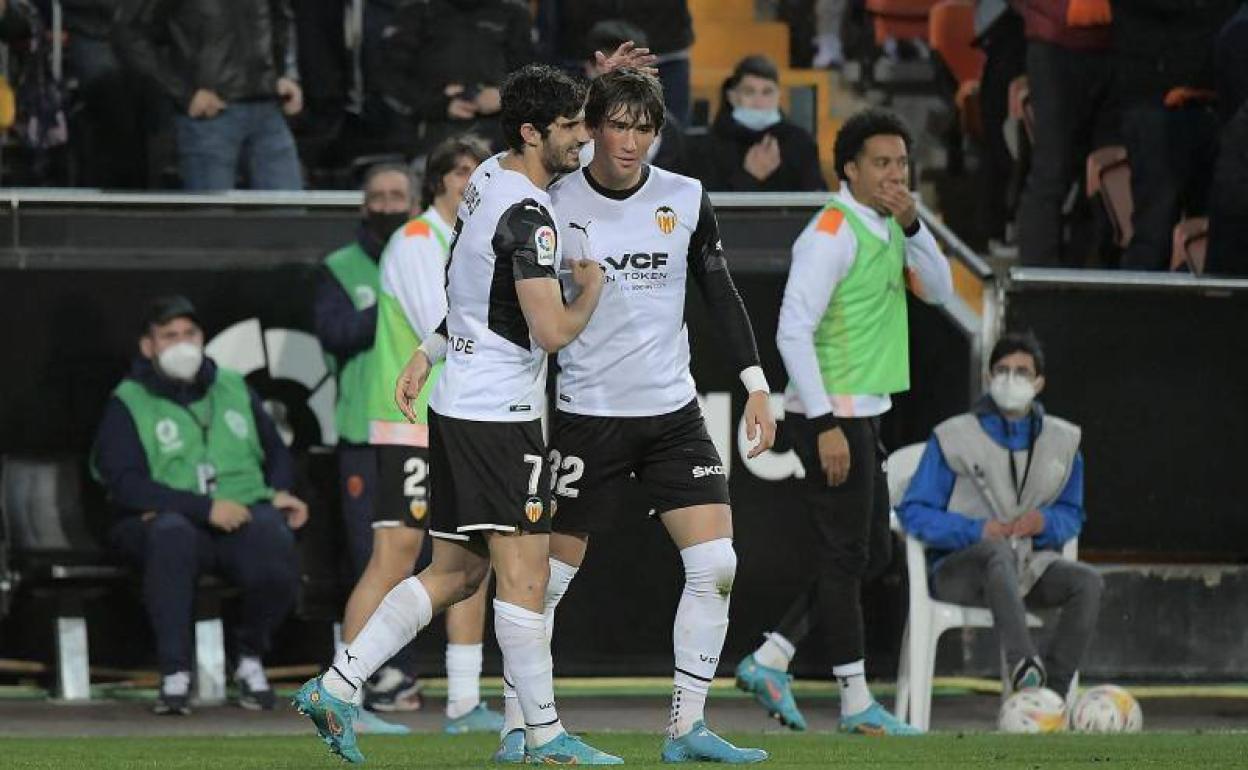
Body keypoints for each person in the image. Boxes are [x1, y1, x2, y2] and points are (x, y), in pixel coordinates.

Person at [294, 63, 626, 766]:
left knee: (455, 574)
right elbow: (551, 330)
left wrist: (431, 347)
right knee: (525, 575)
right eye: (571, 128)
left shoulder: (485, 183)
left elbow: (473, 294)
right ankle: (543, 736)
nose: (585, 141)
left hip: (458, 402)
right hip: (499, 413)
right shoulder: (528, 217)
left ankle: (336, 684)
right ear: (534, 132)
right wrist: (592, 288)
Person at [498, 67, 772, 764]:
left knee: (717, 564)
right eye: (616, 125)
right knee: (545, 583)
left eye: (643, 127)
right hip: (588, 415)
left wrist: (756, 384)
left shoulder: (684, 196)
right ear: (593, 128)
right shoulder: (551, 200)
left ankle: (687, 730)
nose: (629, 141)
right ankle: (520, 727)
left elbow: (719, 288)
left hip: (673, 414)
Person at [734, 108, 953, 735]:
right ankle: (856, 703)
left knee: (868, 551)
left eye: (903, 164)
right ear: (849, 169)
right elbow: (791, 331)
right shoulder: (830, 232)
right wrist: (825, 421)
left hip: (863, 412)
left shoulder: (888, 226)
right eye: (882, 163)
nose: (895, 175)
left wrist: (914, 223)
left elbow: (938, 291)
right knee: (847, 554)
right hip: (831, 413)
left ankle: (772, 658)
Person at [347, 135, 505, 735]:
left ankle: (464, 702)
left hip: (459, 422)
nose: (473, 183)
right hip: (410, 422)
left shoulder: (474, 241)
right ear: (440, 181)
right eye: (462, 173)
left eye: (480, 172)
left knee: (474, 555)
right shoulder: (417, 241)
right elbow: (435, 326)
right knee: (393, 559)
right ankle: (349, 693)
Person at [92, 296, 308, 715]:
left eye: (189, 334)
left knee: (274, 540)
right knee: (170, 536)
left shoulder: (232, 385)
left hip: (241, 511)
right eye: (169, 336)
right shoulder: (129, 400)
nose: (182, 343)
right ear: (148, 346)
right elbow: (124, 482)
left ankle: (248, 658)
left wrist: (278, 489)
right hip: (171, 519)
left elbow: (276, 452)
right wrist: (202, 508)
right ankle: (175, 672)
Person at [897, 332, 1102, 700]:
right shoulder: (952, 436)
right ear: (989, 378)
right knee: (995, 550)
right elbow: (913, 512)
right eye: (1003, 370)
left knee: (1087, 582)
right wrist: (977, 530)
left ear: (1039, 382)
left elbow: (1072, 513)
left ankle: (1049, 698)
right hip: (960, 570)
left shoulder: (1063, 441)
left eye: (1022, 372)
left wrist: (1045, 522)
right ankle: (1025, 664)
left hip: (1029, 565)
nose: (1011, 379)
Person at [314, 163, 426, 727]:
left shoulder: (429, 250)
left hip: (424, 424)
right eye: (377, 196)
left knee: (422, 560)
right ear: (364, 205)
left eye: (396, 195)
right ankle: (355, 685)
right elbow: (332, 334)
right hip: (365, 428)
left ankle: (391, 674)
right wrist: (392, 299)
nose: (386, 204)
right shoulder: (342, 267)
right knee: (373, 560)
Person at [114, 0, 304, 191]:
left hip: (268, 110)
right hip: (210, 117)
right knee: (213, 217)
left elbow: (282, 18)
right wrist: (184, 93)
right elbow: (129, 33)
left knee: (289, 215)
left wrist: (286, 74)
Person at [1111, 0, 1235, 270]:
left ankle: (1202, 311)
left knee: (1212, 235)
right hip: (1156, 98)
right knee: (1154, 231)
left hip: (1214, 99)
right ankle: (1135, 309)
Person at [1014, 0, 1115, 266]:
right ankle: (1038, 276)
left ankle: (1090, 269)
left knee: (1103, 172)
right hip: (1054, 46)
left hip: (1117, 44)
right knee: (1052, 169)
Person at [380, 0, 534, 155]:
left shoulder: (513, 12)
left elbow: (531, 77)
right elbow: (390, 79)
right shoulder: (417, 10)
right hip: (429, 129)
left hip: (499, 131)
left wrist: (504, 95)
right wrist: (440, 104)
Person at [688, 55, 827, 193]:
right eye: (749, 92)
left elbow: (818, 199)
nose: (759, 102)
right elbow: (704, 207)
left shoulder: (800, 142)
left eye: (767, 92)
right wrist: (748, 177)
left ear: (779, 96)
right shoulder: (707, 146)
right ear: (732, 97)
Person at [580, 21, 687, 174]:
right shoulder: (567, 121)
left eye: (627, 70)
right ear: (589, 68)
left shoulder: (669, 130)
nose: (619, 80)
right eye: (612, 72)